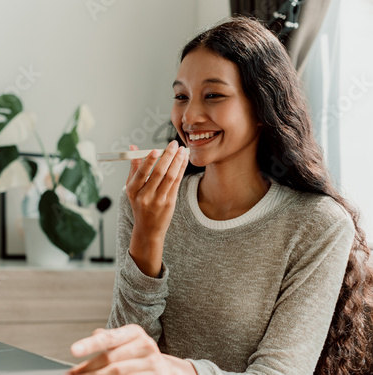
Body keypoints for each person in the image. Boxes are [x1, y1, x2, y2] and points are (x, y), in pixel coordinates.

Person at [67, 16, 373, 375]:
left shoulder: (319, 225)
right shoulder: (144, 204)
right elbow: (127, 353)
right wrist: (147, 236)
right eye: (181, 96)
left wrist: (180, 371)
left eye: (213, 95)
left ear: (262, 107)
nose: (190, 116)